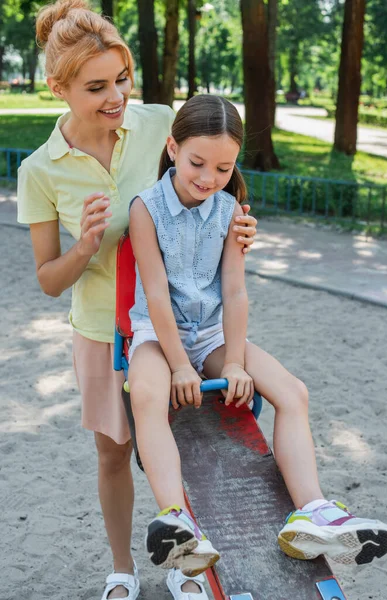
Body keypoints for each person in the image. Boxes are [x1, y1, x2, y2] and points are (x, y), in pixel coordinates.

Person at [16, 2, 258, 599]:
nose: (116, 96)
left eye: (121, 78)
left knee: (187, 441)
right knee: (114, 452)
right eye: (96, 87)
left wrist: (241, 228)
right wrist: (84, 246)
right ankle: (122, 569)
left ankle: (187, 563)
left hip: (176, 328)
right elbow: (48, 279)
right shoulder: (40, 170)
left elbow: (212, 177)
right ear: (58, 88)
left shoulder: (159, 124)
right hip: (102, 329)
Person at [128, 94, 387, 591]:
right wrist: (181, 366)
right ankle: (178, 522)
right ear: (172, 148)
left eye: (223, 167)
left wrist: (233, 361)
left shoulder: (230, 210)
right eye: (197, 163)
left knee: (293, 391)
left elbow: (234, 289)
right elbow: (157, 295)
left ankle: (310, 511)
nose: (208, 177)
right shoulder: (146, 208)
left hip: (211, 331)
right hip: (156, 330)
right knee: (146, 394)